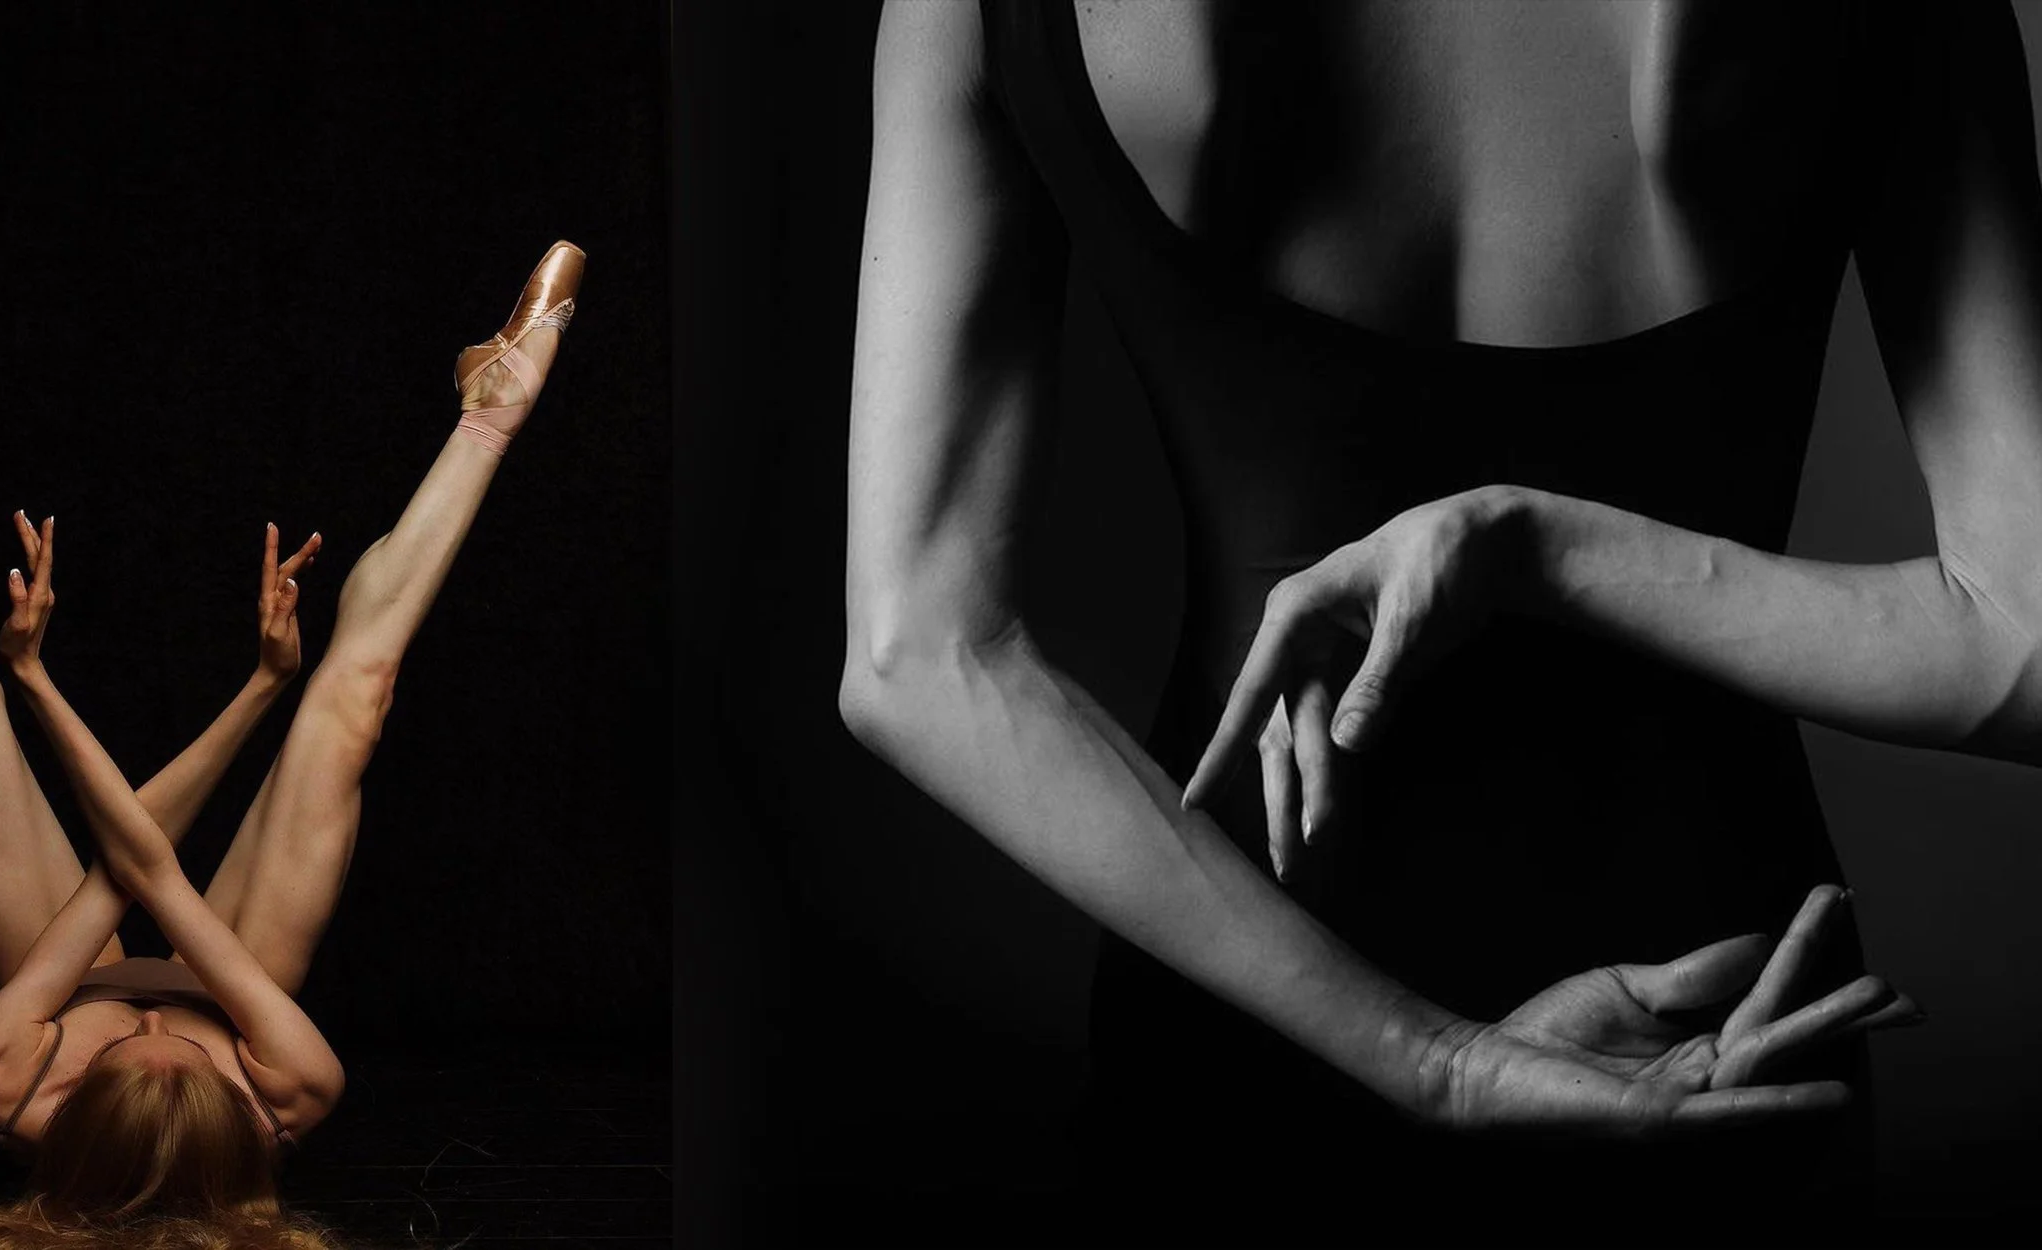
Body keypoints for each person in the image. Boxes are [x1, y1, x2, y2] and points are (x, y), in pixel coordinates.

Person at [836, 2, 2034, 1240]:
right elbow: (2026, 641)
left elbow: (920, 654)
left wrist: (1433, 1057)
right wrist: (1531, 545)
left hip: (1253, 984)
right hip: (1717, 1001)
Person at [0, 224, 585, 1245]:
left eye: (117, 1057)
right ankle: (494, 409)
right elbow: (158, 878)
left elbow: (122, 878)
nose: (144, 1025)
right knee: (355, 695)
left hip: (68, 948)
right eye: (172, 1049)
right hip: (230, 950)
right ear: (229, 1115)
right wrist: (271, 689)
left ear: (73, 1111)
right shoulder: (291, 1093)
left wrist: (30, 682)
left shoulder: (6, 1085)